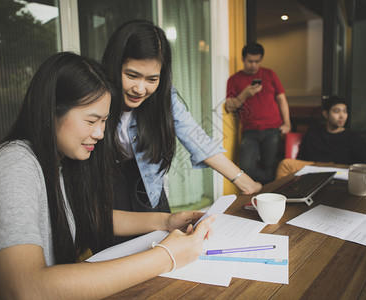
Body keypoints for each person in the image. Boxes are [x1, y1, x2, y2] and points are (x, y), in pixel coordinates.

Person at [0, 52, 215, 299]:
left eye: (104, 122)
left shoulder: (61, 163)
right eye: (91, 121)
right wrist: (166, 256)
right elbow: (22, 290)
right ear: (50, 113)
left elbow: (91, 216)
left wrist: (165, 221)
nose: (99, 133)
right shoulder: (12, 166)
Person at [102, 20, 262, 213]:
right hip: (107, 186)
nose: (140, 89)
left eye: (152, 79)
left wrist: (245, 182)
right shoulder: (95, 94)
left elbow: (195, 137)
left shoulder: (164, 96)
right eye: (132, 76)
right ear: (115, 65)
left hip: (149, 186)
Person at [225, 42, 291, 185]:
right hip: (250, 131)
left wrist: (287, 123)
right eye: (250, 61)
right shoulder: (234, 79)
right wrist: (245, 94)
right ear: (243, 59)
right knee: (245, 168)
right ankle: (270, 184)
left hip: (273, 129)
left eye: (257, 61)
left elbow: (281, 99)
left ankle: (266, 193)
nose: (254, 65)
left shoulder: (269, 74)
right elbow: (230, 107)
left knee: (268, 167)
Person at [276, 96, 366, 179]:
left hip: (340, 170)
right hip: (314, 169)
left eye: (345, 111)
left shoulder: (355, 138)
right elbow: (302, 158)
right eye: (337, 111)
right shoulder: (313, 131)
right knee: (285, 164)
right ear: (326, 114)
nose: (342, 116)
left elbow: (364, 166)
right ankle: (278, 197)